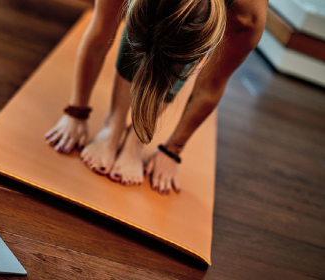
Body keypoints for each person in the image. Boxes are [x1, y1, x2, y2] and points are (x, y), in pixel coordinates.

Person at [45, 0, 267, 194]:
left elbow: (211, 86)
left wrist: (173, 151)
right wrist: (77, 111)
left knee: (172, 50)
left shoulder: (247, 15)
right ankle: (113, 124)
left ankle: (136, 139)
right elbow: (100, 33)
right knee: (153, 41)